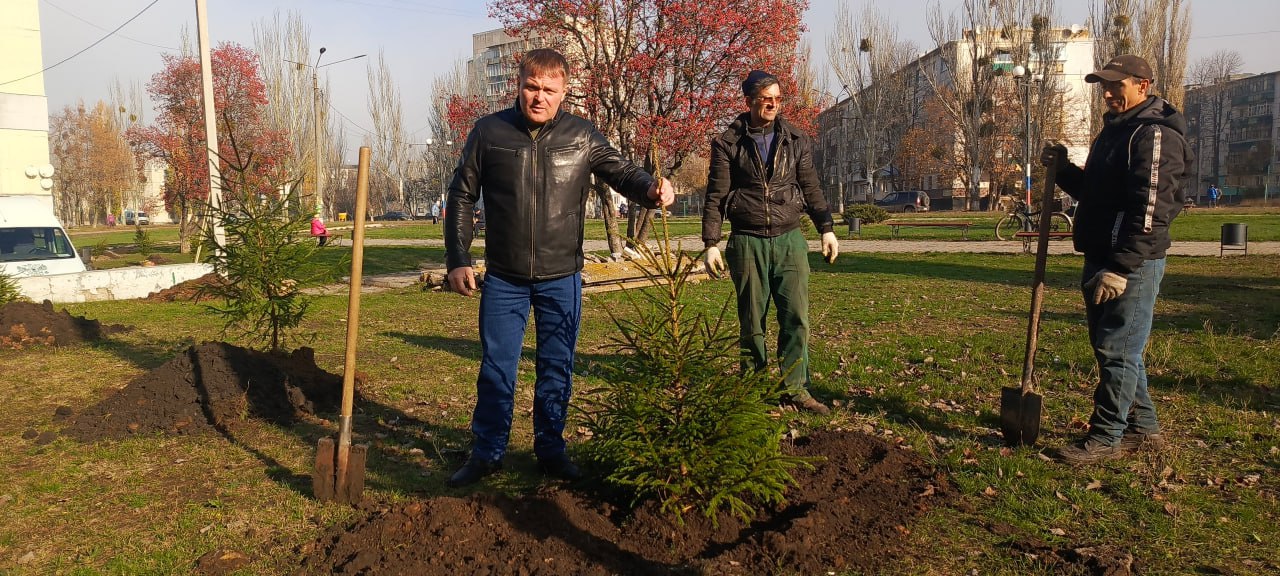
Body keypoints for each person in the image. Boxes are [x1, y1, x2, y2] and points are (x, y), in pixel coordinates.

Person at [444, 48, 675, 488]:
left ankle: (550, 450)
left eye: (549, 90)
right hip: (505, 278)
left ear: (564, 91)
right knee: (496, 367)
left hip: (561, 278)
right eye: (532, 87)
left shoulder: (582, 135)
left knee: (556, 367)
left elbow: (622, 172)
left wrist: (651, 188)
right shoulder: (488, 133)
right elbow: (461, 196)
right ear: (518, 85)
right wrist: (457, 259)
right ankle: (487, 452)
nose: (539, 97)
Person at [1042, 54, 1192, 465]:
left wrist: (1121, 267)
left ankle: (1107, 438)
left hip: (1130, 263)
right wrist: (1063, 169)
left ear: (1143, 85)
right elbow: (1096, 191)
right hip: (1101, 254)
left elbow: (1151, 210)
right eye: (1103, 86)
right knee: (1116, 348)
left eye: (1116, 85)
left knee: (1117, 349)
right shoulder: (1116, 130)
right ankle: (1143, 430)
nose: (1107, 93)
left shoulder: (1153, 135)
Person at [701, 69, 840, 415]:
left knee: (796, 317)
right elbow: (716, 195)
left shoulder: (796, 140)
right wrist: (711, 242)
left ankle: (797, 389)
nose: (773, 105)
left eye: (778, 99)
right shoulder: (727, 143)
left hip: (790, 240)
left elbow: (810, 188)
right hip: (747, 242)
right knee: (752, 322)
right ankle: (754, 390)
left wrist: (826, 228)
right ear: (749, 101)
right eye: (767, 99)